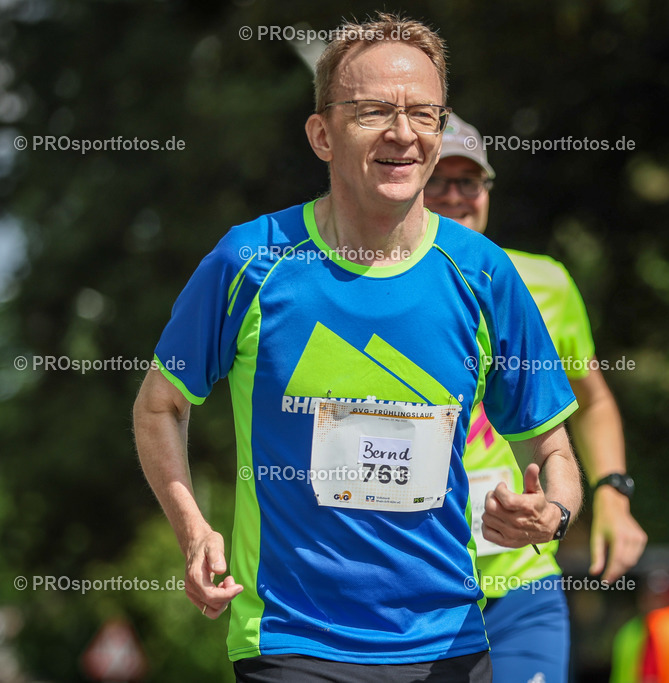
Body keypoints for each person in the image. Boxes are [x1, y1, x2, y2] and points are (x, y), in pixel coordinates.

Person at [132, 13, 583, 682]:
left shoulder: (485, 273)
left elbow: (552, 448)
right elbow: (160, 406)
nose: (404, 134)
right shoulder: (252, 261)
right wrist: (193, 527)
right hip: (292, 639)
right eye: (374, 112)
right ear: (322, 133)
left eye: (423, 115)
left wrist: (553, 512)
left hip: (448, 642)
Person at [423, 113, 648, 683]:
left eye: (468, 181)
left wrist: (613, 498)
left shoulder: (543, 281)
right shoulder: (370, 284)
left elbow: (592, 399)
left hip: (523, 580)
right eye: (438, 180)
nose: (455, 196)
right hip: (416, 584)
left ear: (487, 191)